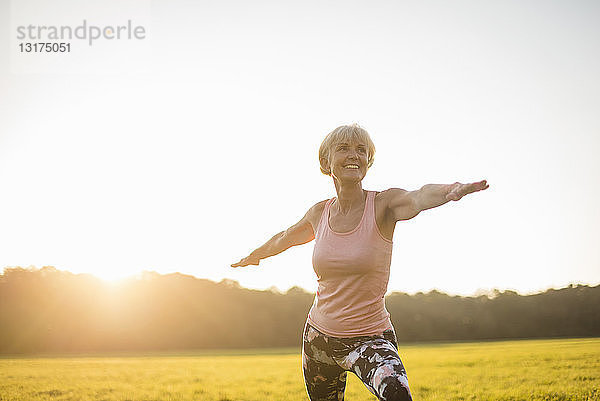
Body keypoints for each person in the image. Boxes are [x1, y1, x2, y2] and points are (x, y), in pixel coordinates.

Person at [231, 124, 489, 401]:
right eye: (343, 148)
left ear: (368, 161)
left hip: (370, 338)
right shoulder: (319, 212)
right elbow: (284, 238)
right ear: (326, 161)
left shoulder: (384, 205)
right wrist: (254, 256)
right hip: (319, 340)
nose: (354, 155)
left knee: (398, 395)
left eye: (361, 150)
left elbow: (418, 196)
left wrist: (451, 190)